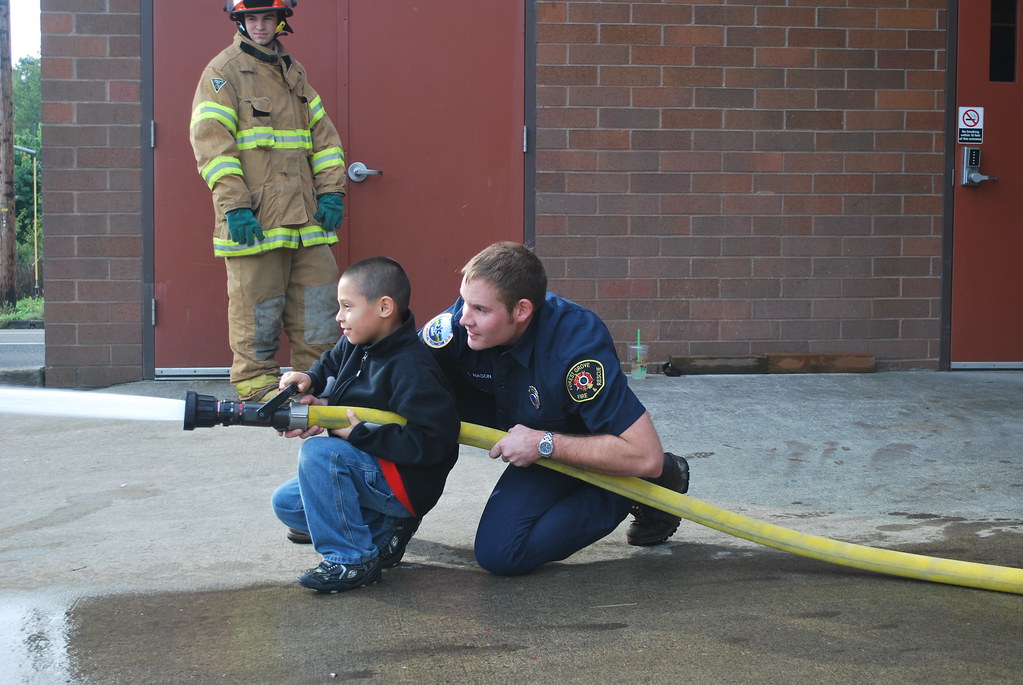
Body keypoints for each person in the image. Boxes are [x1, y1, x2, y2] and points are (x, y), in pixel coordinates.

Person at [420, 242, 689, 576]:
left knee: (501, 553)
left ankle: (652, 484)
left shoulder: (576, 347)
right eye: (464, 302)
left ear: (521, 311)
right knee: (414, 393)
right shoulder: (458, 324)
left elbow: (644, 452)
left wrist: (543, 443)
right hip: (523, 422)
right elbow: (393, 362)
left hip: (574, 441)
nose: (464, 319)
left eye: (481, 310)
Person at [270, 256, 461, 593]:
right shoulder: (358, 343)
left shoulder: (412, 369)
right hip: (372, 469)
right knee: (286, 503)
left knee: (320, 454)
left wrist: (360, 434)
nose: (339, 317)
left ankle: (353, 559)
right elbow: (331, 363)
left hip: (400, 483)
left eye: (347, 306)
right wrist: (310, 380)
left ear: (384, 307)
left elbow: (433, 441)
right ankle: (382, 535)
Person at [190, 0, 347, 402]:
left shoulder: (293, 71)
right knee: (257, 312)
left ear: (280, 21)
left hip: (307, 223)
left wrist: (332, 190)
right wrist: (235, 206)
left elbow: (324, 140)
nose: (260, 26)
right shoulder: (222, 74)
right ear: (240, 20)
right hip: (254, 220)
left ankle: (316, 383)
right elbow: (213, 147)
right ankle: (257, 389)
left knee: (319, 312)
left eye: (267, 18)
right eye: (252, 18)